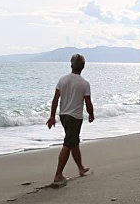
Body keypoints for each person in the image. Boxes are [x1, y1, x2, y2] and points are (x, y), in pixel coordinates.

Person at [46, 53, 95, 183]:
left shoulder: (62, 80)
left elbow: (55, 99)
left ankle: (80, 168)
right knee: (68, 144)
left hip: (64, 116)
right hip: (75, 117)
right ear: (83, 67)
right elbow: (88, 102)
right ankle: (58, 174)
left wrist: (52, 116)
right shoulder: (84, 83)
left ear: (71, 65)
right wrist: (91, 113)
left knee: (74, 142)